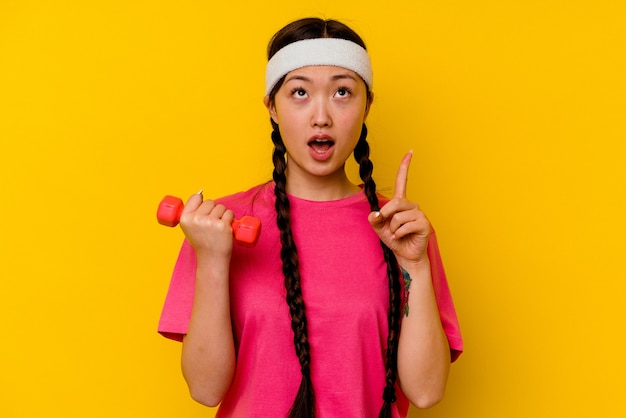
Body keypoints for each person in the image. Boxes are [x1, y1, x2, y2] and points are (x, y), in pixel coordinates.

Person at [158, 17, 463, 418]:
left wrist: (415, 266)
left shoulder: (401, 229)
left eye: (342, 93)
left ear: (367, 104)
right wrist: (214, 260)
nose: (322, 116)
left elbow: (425, 392)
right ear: (271, 106)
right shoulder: (216, 226)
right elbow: (205, 388)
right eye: (299, 92)